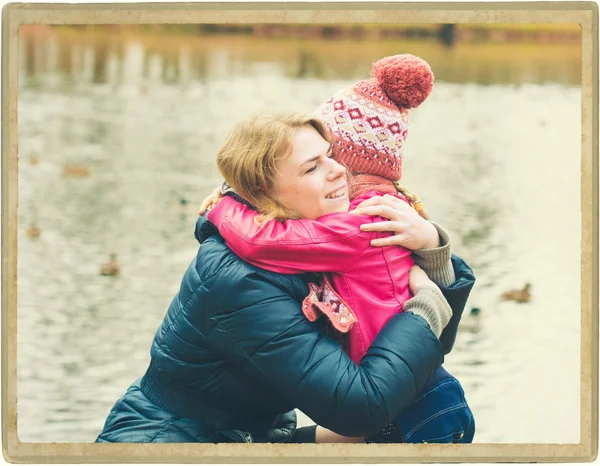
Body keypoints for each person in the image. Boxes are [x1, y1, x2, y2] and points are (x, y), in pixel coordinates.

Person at [198, 54, 475, 443]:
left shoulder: (364, 221)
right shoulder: (388, 207)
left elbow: (264, 241)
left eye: (328, 158)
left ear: (349, 165)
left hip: (417, 401)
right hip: (410, 386)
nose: (330, 170)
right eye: (314, 163)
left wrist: (227, 205)